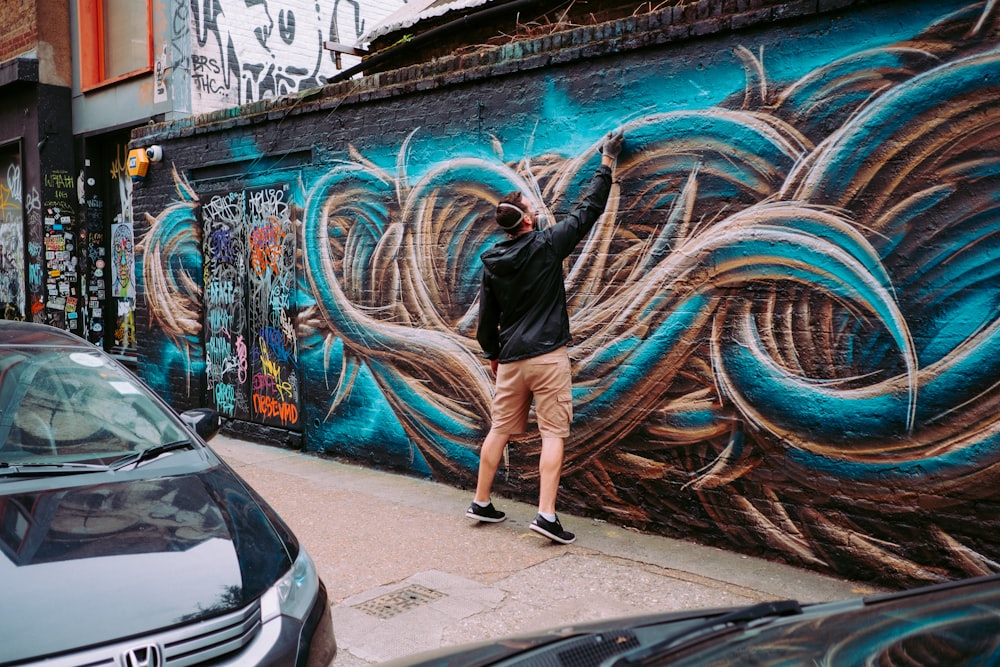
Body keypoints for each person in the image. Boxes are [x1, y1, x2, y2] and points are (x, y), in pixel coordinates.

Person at [466, 130, 625, 544]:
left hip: (512, 360)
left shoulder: (493, 262)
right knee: (553, 434)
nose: (537, 208)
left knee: (498, 430)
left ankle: (481, 501)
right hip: (548, 357)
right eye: (532, 206)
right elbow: (587, 211)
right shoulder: (548, 244)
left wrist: (493, 355)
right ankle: (546, 515)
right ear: (528, 220)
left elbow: (487, 320)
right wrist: (606, 163)